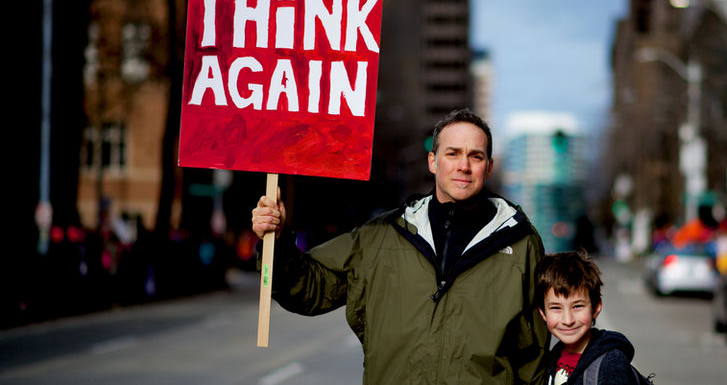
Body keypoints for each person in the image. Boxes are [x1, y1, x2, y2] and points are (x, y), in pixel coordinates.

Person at [251, 109, 548, 384]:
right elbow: (307, 289)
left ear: (489, 166)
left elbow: (534, 356)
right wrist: (276, 241)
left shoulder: (520, 242)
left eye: (476, 156)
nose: (463, 166)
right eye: (452, 153)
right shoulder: (381, 236)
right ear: (433, 161)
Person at [536, 251, 651, 385]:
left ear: (596, 308)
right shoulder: (549, 360)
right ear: (543, 313)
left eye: (577, 306)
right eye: (556, 308)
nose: (568, 320)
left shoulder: (611, 364)